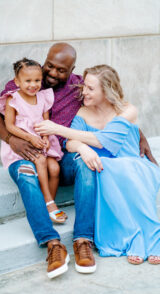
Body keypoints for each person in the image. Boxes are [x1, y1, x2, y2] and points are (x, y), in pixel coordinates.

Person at [0, 43, 157, 278]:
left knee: (85, 163)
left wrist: (138, 134)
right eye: (50, 66)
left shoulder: (80, 86)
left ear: (72, 70)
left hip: (60, 155)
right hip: (25, 152)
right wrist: (11, 139)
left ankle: (83, 240)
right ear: (44, 62)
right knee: (26, 174)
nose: (53, 73)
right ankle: (52, 244)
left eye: (61, 70)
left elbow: (111, 106)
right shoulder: (24, 81)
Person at [35, 64, 160, 265]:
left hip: (134, 167)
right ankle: (132, 237)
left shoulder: (127, 110)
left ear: (107, 90)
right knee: (103, 167)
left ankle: (154, 239)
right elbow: (71, 143)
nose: (84, 91)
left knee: (116, 167)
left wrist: (58, 128)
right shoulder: (83, 113)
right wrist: (83, 149)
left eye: (91, 88)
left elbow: (105, 142)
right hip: (104, 168)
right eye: (84, 86)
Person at [0, 57, 67, 223]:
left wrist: (45, 138)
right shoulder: (13, 99)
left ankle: (47, 202)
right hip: (24, 142)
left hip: (41, 142)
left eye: (37, 80)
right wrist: (29, 137)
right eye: (27, 80)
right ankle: (49, 205)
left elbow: (45, 121)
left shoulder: (43, 97)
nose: (33, 84)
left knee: (55, 168)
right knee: (41, 160)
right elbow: (10, 126)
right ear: (17, 81)